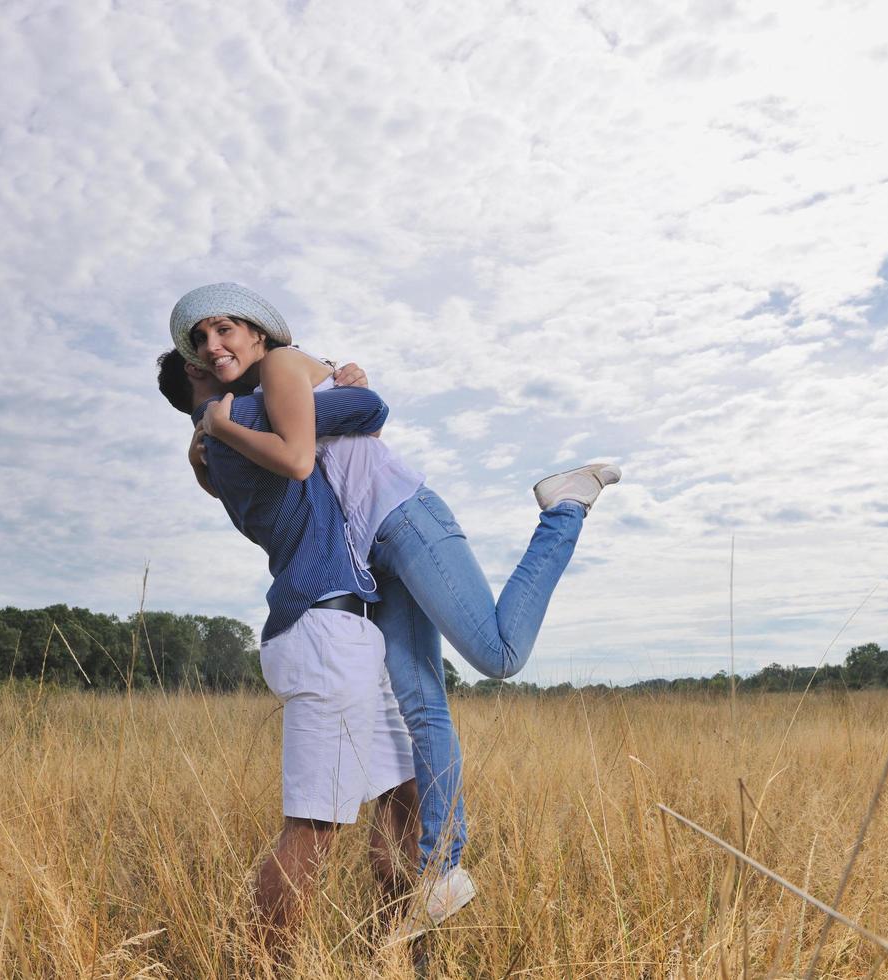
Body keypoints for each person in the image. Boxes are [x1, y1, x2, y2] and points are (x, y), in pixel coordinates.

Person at [169, 282, 621, 940]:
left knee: (498, 656)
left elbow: (365, 413)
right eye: (201, 344)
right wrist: (210, 435)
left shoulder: (281, 370)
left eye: (224, 331)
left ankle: (563, 509)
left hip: (402, 517)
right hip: (371, 555)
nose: (213, 348)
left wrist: (230, 420)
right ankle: (439, 871)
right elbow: (331, 426)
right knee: (419, 708)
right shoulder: (251, 407)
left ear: (260, 333)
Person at [156, 351, 419, 955]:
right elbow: (367, 408)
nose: (231, 354)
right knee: (313, 827)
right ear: (197, 376)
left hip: (335, 629)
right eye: (208, 349)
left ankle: (398, 952)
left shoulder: (222, 446)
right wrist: (319, 367)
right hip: (325, 631)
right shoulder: (244, 414)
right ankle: (261, 967)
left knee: (402, 797)